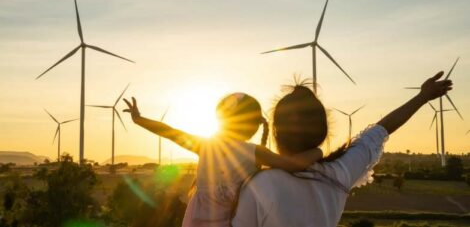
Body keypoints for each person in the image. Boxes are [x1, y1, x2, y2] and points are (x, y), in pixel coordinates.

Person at [232, 72, 452, 227]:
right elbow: (382, 129)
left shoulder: (260, 185)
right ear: (323, 132)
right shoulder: (339, 173)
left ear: (277, 133)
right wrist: (423, 97)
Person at [123, 93, 323, 227]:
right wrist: (317, 152)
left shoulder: (205, 145)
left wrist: (139, 119)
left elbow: (169, 132)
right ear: (252, 126)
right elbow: (292, 165)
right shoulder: (254, 151)